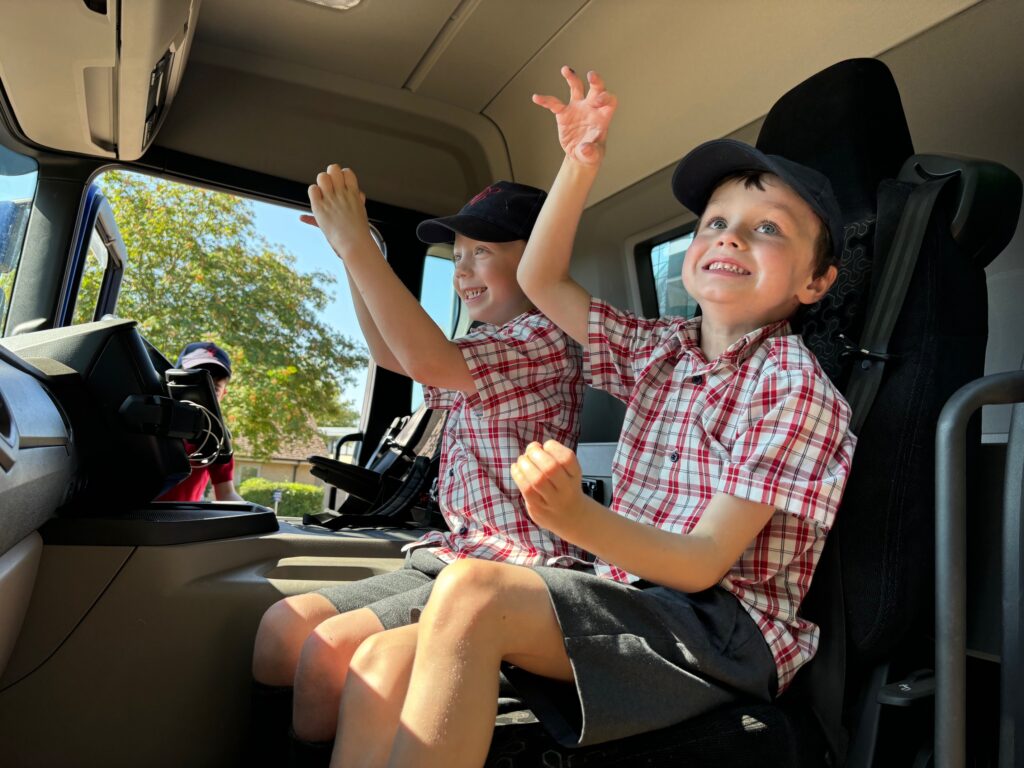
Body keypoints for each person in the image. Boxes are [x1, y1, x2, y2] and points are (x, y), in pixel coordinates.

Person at [327, 68, 857, 768]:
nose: (729, 240)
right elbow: (543, 282)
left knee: (474, 593)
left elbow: (700, 565)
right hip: (629, 595)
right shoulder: (663, 351)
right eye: (716, 224)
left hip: (725, 631)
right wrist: (578, 165)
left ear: (815, 282)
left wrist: (573, 518)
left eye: (767, 231)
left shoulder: (794, 387)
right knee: (384, 661)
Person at [247, 174, 588, 764]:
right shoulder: (487, 341)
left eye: (483, 251)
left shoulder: (547, 338)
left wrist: (358, 245)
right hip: (456, 553)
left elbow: (422, 357)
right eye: (456, 256)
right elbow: (391, 353)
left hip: (517, 568)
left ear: (542, 259)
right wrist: (358, 258)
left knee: (329, 651)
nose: (462, 270)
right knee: (282, 629)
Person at [157, 341, 243, 503]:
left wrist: (258, 515)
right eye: (196, 384)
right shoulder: (149, 418)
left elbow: (226, 494)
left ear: (223, 394)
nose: (204, 394)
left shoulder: (215, 436)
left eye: (214, 388)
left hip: (183, 524)